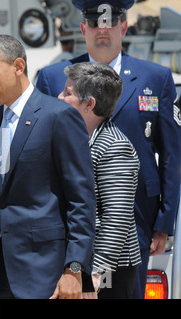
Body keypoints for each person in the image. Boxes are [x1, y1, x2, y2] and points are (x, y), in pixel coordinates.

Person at [35, 0, 181, 298]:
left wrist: (164, 222)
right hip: (68, 215)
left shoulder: (155, 78)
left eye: (110, 22)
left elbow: (171, 155)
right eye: (94, 22)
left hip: (137, 215)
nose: (102, 29)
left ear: (124, 27)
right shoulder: (54, 78)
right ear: (82, 28)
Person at [0, 34, 97, 299]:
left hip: (45, 272)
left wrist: (74, 269)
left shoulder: (58, 116)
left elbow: (81, 201)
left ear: (18, 66)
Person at [59, 62, 141, 299]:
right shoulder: (75, 139)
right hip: (78, 262)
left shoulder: (114, 147)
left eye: (68, 93)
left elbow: (117, 217)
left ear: (89, 104)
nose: (59, 96)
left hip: (107, 268)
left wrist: (95, 275)